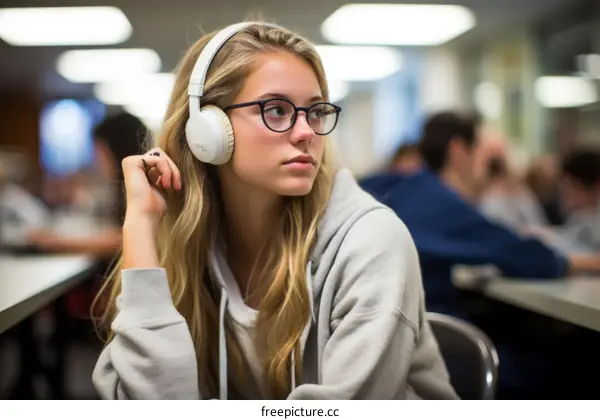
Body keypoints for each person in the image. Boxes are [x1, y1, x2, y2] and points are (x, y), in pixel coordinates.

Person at [91, 21, 457, 400]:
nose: (307, 132)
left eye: (315, 111)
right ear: (208, 131)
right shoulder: (190, 242)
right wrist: (140, 224)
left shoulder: (372, 242)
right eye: (277, 110)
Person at [360, 110, 600, 399]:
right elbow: (530, 258)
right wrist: (589, 262)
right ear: (459, 151)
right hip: (434, 352)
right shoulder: (441, 202)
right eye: (484, 156)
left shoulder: (397, 186)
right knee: (574, 365)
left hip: (384, 346)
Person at [27, 112, 148, 258]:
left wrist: (58, 243)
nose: (98, 161)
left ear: (116, 150)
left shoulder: (141, 187)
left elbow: (126, 239)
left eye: (100, 152)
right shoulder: (129, 185)